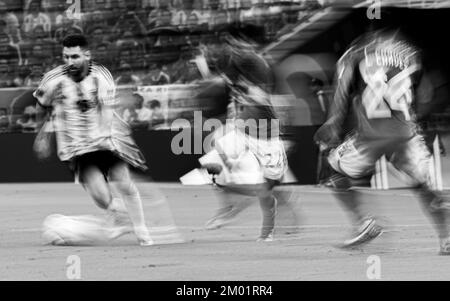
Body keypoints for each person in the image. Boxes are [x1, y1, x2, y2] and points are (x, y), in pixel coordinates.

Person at [314, 29, 450, 255]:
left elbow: (341, 93)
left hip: (369, 137)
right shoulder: (410, 55)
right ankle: (446, 238)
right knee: (423, 186)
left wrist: (333, 122)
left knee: (333, 168)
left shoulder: (354, 55)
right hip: (405, 134)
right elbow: (426, 94)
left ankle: (364, 223)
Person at [32, 34, 153, 246]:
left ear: (87, 54)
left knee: (123, 181)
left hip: (103, 140)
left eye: (75, 56)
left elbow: (107, 109)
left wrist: (105, 133)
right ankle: (119, 214)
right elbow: (42, 105)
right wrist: (42, 135)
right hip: (74, 148)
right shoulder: (53, 79)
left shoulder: (101, 76)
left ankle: (142, 232)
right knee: (101, 197)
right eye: (66, 57)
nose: (70, 62)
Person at [201, 26, 295, 242]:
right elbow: (224, 82)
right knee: (212, 161)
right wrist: (206, 69)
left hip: (267, 134)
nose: (233, 47)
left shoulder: (259, 64)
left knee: (266, 189)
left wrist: (288, 135)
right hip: (242, 129)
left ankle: (267, 231)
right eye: (231, 43)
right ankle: (229, 206)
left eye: (237, 43)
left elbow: (270, 99)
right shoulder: (232, 60)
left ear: (249, 44)